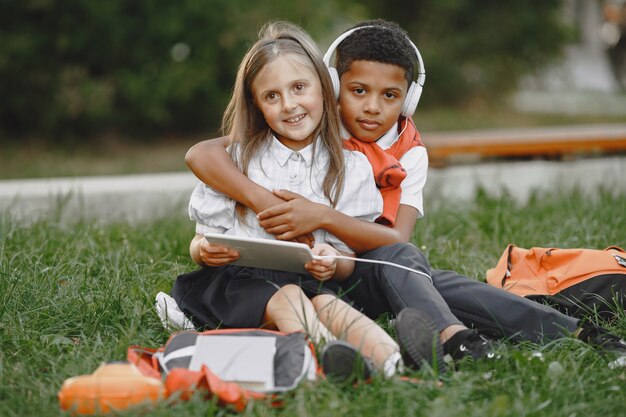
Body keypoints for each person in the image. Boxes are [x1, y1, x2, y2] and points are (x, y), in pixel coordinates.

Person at [183, 20, 626, 368]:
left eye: (388, 96)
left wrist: (318, 216)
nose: (371, 107)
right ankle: (429, 341)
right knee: (420, 276)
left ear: (407, 99)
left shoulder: (400, 155)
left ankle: (557, 334)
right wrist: (262, 204)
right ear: (334, 89)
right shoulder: (302, 128)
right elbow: (204, 153)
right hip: (312, 272)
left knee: (419, 271)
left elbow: (396, 242)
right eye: (357, 92)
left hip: (362, 261)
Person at [170, 20, 439, 382]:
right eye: (272, 96)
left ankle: (396, 362)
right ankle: (322, 354)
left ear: (325, 89)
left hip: (312, 281)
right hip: (237, 283)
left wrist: (332, 263)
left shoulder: (352, 167)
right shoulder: (238, 160)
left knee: (330, 303)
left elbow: (345, 258)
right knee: (291, 298)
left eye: (299, 88)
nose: (289, 105)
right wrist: (204, 251)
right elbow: (201, 242)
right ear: (257, 105)